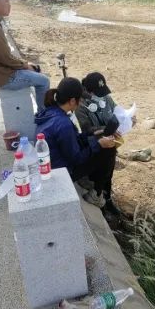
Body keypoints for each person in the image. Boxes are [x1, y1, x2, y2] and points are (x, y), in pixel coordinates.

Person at [34, 78, 120, 224]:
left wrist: (94, 133)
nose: (80, 103)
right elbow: (76, 158)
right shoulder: (63, 124)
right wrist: (99, 144)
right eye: (80, 100)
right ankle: (97, 192)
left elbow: (73, 141)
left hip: (56, 162)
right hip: (62, 172)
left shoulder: (52, 112)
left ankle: (97, 188)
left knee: (101, 144)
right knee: (108, 151)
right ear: (72, 101)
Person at [73, 72, 122, 212]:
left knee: (109, 171)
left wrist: (127, 119)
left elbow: (117, 112)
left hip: (111, 142)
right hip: (94, 146)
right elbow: (86, 129)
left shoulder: (105, 97)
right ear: (89, 91)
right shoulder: (80, 105)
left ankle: (106, 198)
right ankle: (99, 197)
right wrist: (104, 129)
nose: (102, 95)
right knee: (100, 173)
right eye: (98, 92)